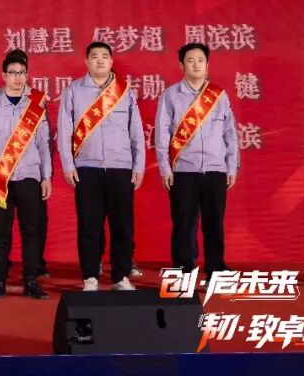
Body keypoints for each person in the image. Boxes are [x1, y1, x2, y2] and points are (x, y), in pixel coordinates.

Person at [57, 42, 145, 292]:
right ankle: (90, 277)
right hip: (87, 167)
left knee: (122, 225)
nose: (99, 60)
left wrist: (138, 166)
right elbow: (64, 131)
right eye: (94, 56)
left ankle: (120, 277)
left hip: (121, 167)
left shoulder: (124, 91)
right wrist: (68, 164)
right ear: (86, 61)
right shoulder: (73, 91)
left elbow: (136, 132)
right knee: (89, 224)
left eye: (104, 56)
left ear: (111, 61)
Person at [155, 42, 239, 277]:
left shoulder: (218, 95)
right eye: (190, 60)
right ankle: (183, 271)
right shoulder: (171, 95)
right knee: (184, 224)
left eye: (201, 60)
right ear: (181, 65)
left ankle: (216, 268)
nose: (196, 65)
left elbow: (230, 133)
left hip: (215, 169)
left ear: (207, 65)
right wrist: (165, 168)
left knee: (215, 223)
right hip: (183, 171)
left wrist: (231, 166)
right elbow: (162, 134)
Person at [0, 50, 51, 300]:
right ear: (4, 76)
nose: (17, 78)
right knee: (1, 233)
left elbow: (43, 144)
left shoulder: (36, 107)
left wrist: (46, 176)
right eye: (12, 73)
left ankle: (31, 281)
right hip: (1, 180)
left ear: (27, 75)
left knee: (31, 232)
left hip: (30, 176)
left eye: (22, 73)